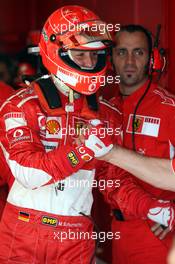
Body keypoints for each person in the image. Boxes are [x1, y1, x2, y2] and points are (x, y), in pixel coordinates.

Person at [0, 5, 122, 263]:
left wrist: (153, 209)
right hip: (23, 230)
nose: (90, 63)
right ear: (57, 51)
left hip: (75, 235)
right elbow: (30, 174)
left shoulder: (107, 114)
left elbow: (114, 182)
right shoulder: (21, 105)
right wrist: (83, 150)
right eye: (80, 55)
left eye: (96, 55)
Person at [79, 24, 175, 264]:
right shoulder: (102, 111)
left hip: (159, 234)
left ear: (152, 59)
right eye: (122, 52)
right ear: (111, 59)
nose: (130, 61)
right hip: (117, 231)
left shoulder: (170, 108)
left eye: (139, 52)